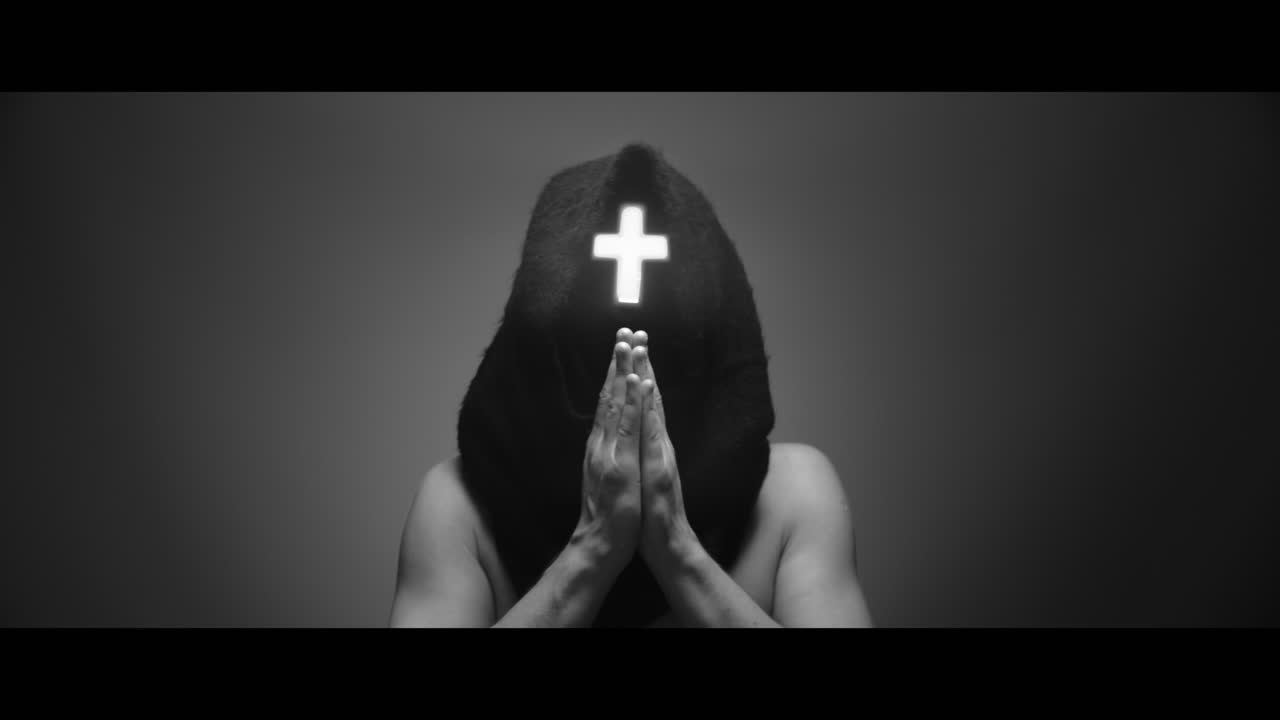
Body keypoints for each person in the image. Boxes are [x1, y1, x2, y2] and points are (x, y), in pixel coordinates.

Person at [389, 144, 873, 628]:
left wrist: (677, 549)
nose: (626, 398)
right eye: (580, 360)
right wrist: (594, 549)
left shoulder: (795, 495)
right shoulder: (458, 508)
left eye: (674, 356)